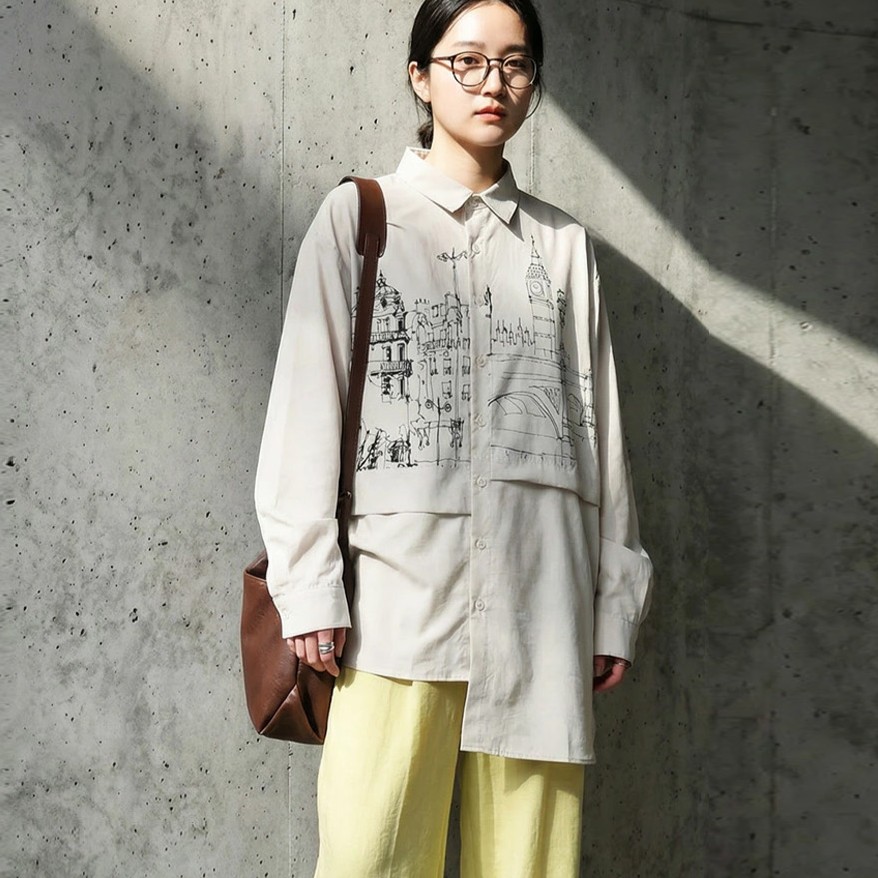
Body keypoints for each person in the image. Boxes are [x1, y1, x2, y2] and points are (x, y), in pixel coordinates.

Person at [254, 1, 654, 874]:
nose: (492, 83)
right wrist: (309, 587)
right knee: (369, 858)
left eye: (515, 63)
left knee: (530, 866)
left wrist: (612, 601)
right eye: (467, 61)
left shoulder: (563, 246)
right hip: (397, 612)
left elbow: (601, 434)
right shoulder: (361, 217)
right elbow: (304, 412)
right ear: (421, 76)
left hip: (540, 607)